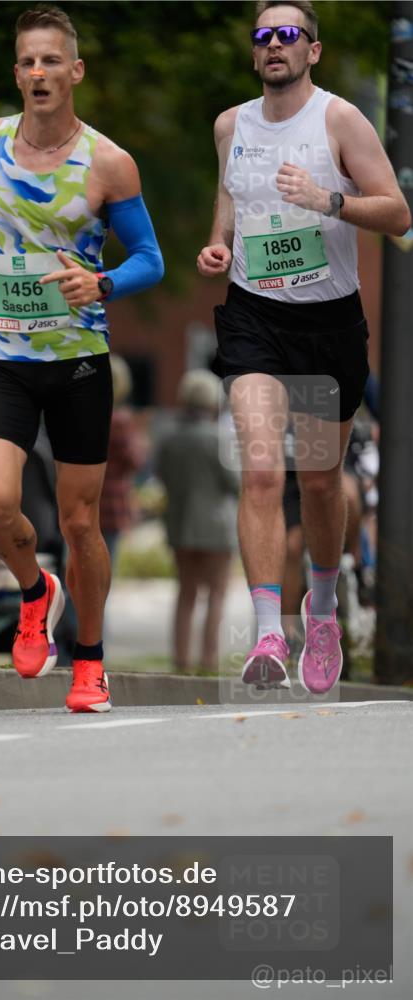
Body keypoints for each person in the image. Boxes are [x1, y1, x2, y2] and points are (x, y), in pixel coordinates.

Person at [0, 4, 164, 712]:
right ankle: (36, 592)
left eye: (51, 60)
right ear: (17, 72)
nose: (38, 72)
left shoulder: (108, 163)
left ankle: (89, 661)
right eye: (27, 61)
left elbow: (149, 258)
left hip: (77, 359)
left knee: (81, 523)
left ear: (74, 71)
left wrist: (103, 282)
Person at [197, 0, 410, 693]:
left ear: (311, 51)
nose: (273, 45)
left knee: (319, 481)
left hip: (328, 323)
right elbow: (230, 200)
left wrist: (328, 201)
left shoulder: (339, 119)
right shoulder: (231, 125)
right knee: (260, 469)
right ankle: (268, 632)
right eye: (262, 36)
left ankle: (321, 612)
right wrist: (217, 243)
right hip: (253, 317)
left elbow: (397, 211)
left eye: (287, 34)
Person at [156, 370, 240, 673]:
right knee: (216, 593)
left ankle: (180, 660)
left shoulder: (169, 438)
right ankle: (208, 658)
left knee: (185, 593)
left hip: (180, 525)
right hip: (217, 528)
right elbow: (234, 484)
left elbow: (161, 476)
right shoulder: (219, 439)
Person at [99, 355, 146, 565]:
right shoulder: (120, 420)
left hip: (80, 495)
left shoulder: (84, 414)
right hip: (111, 501)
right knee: (106, 564)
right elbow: (135, 460)